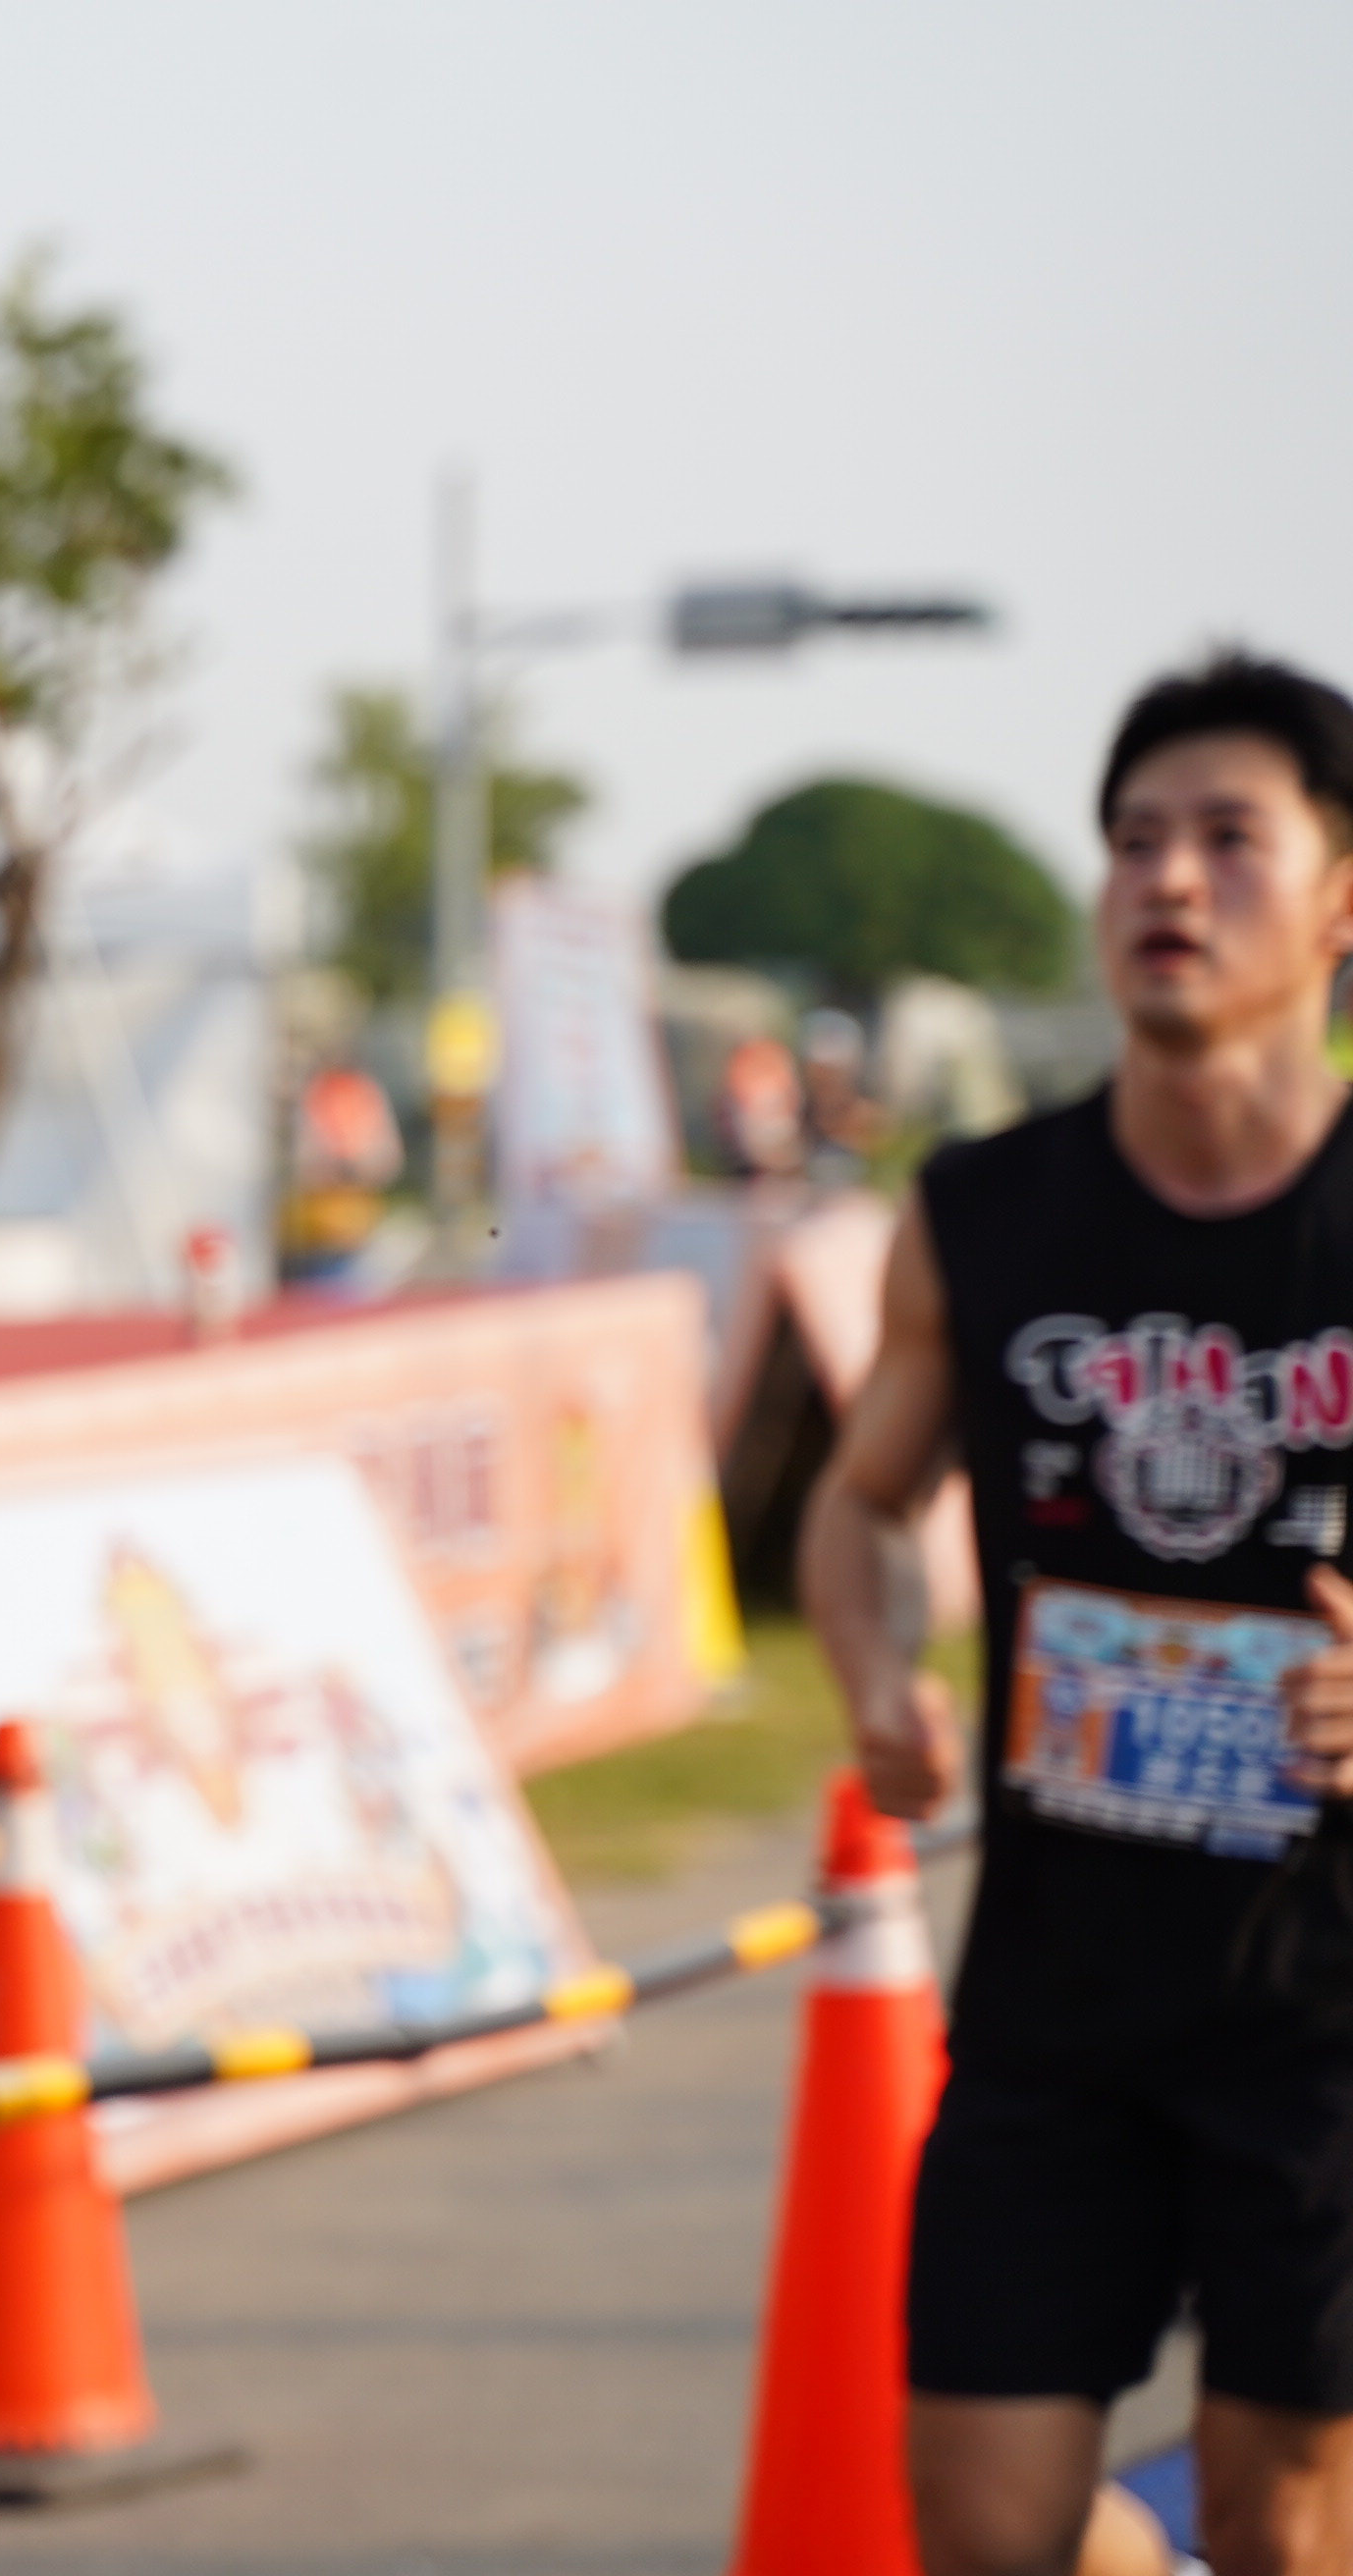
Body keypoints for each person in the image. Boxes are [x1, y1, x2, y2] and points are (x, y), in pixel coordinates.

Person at [805, 653, 1353, 2576]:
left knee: (1289, 2523)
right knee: (984, 2524)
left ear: (1341, 899)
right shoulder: (988, 1211)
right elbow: (861, 1502)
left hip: (1329, 2005)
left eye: (1229, 839)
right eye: (1134, 841)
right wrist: (878, 1666)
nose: (1170, 880)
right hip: (1057, 1997)